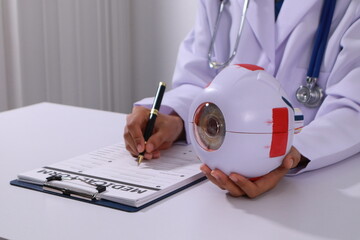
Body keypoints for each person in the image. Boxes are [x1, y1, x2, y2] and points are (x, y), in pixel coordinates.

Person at [124, 0, 360, 198]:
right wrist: (175, 118)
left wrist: (289, 155)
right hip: (214, 196)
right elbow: (199, 79)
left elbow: (353, 108)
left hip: (316, 192)